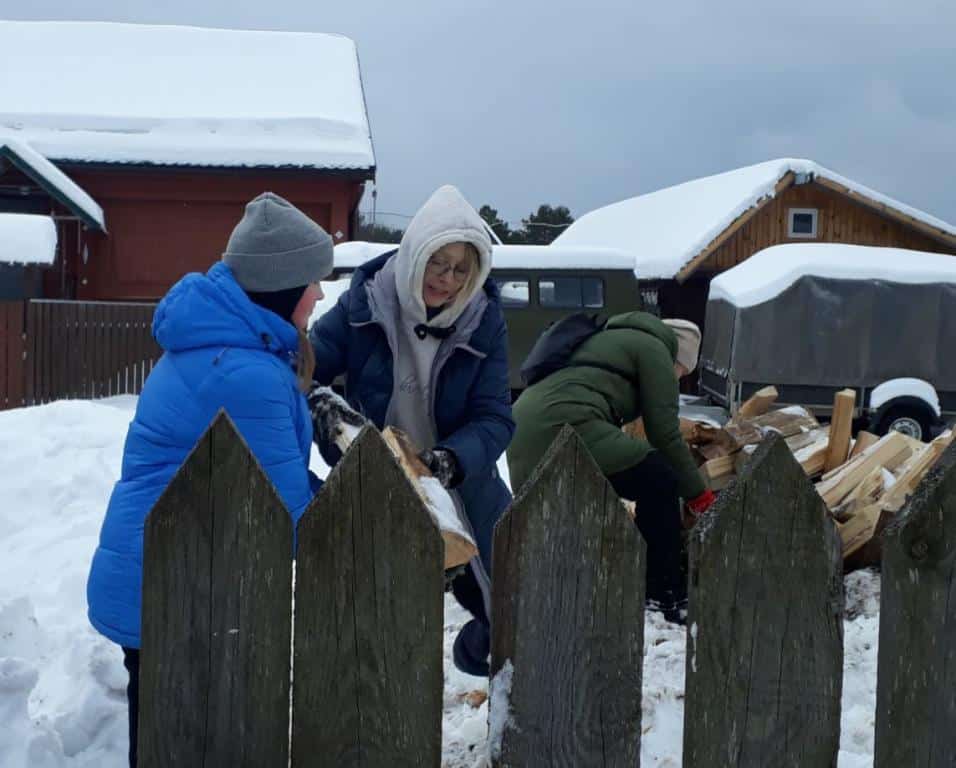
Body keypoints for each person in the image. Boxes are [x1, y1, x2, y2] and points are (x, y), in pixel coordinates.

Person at [86, 192, 332, 767]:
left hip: (166, 573)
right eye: (312, 281)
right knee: (184, 744)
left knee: (162, 739)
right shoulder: (246, 374)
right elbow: (284, 521)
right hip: (176, 587)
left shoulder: (221, 344)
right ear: (280, 286)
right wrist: (350, 512)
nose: (320, 295)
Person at [308, 184, 514, 676]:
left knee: (506, 595)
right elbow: (305, 369)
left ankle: (483, 655)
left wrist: (451, 460)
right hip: (375, 479)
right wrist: (324, 408)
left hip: (458, 481)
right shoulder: (366, 303)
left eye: (461, 268)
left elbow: (495, 417)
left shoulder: (484, 321)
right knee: (377, 617)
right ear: (415, 253)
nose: (446, 279)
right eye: (437, 262)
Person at [506, 312, 715, 622]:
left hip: (524, 429)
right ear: (678, 356)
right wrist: (699, 495)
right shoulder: (655, 348)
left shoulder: (607, 339)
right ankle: (662, 592)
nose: (677, 380)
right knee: (658, 478)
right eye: (681, 372)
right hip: (564, 425)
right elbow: (665, 433)